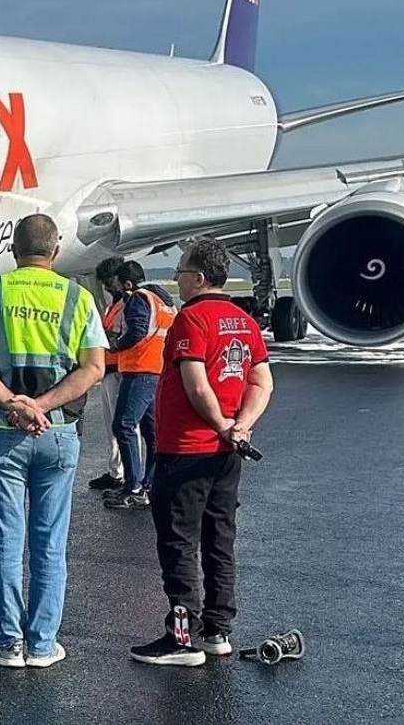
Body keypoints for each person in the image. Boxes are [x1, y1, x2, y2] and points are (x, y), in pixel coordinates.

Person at [0, 214, 107, 668]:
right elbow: (93, 369)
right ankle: (43, 644)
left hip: (4, 431)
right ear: (56, 251)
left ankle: (9, 643)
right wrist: (42, 406)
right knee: (50, 542)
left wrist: (14, 404)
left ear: (12, 250)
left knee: (6, 542)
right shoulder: (78, 299)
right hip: (58, 432)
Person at [130, 237, 273, 666]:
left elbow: (196, 385)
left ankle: (181, 638)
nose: (177, 279)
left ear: (199, 277)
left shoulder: (192, 320)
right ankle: (217, 630)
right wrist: (239, 427)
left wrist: (219, 425)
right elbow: (261, 382)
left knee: (177, 543)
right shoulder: (243, 322)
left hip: (187, 450)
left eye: (181, 272)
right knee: (219, 539)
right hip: (228, 453)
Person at [103, 260, 176, 510]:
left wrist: (116, 344)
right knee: (151, 431)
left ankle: (133, 486)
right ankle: (149, 484)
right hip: (156, 368)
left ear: (128, 283)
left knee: (122, 425)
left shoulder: (137, 298)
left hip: (139, 369)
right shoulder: (164, 300)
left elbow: (137, 331)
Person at [88, 255, 127, 491]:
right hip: (109, 371)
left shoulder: (128, 304)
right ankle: (116, 471)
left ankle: (125, 474)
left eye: (107, 281)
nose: (105, 286)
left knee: (123, 427)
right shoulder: (114, 304)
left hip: (120, 371)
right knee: (112, 426)